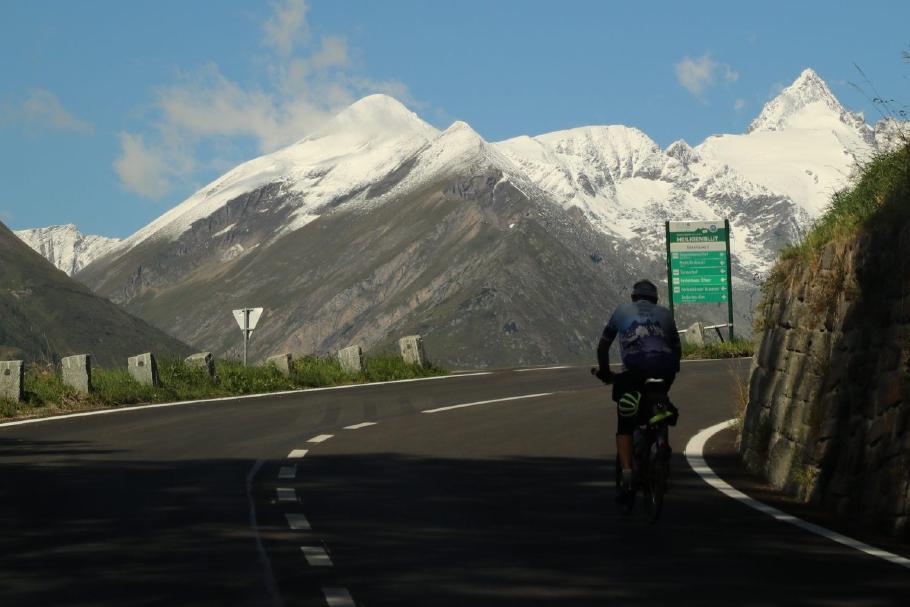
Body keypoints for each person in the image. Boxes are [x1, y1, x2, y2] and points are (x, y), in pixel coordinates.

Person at [594, 279, 681, 504]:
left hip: (634, 369)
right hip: (666, 366)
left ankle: (628, 476)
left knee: (625, 420)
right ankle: (662, 441)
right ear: (655, 299)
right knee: (660, 400)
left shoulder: (622, 310)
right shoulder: (666, 314)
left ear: (633, 297)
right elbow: (677, 350)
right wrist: (668, 378)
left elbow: (603, 346)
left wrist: (604, 372)